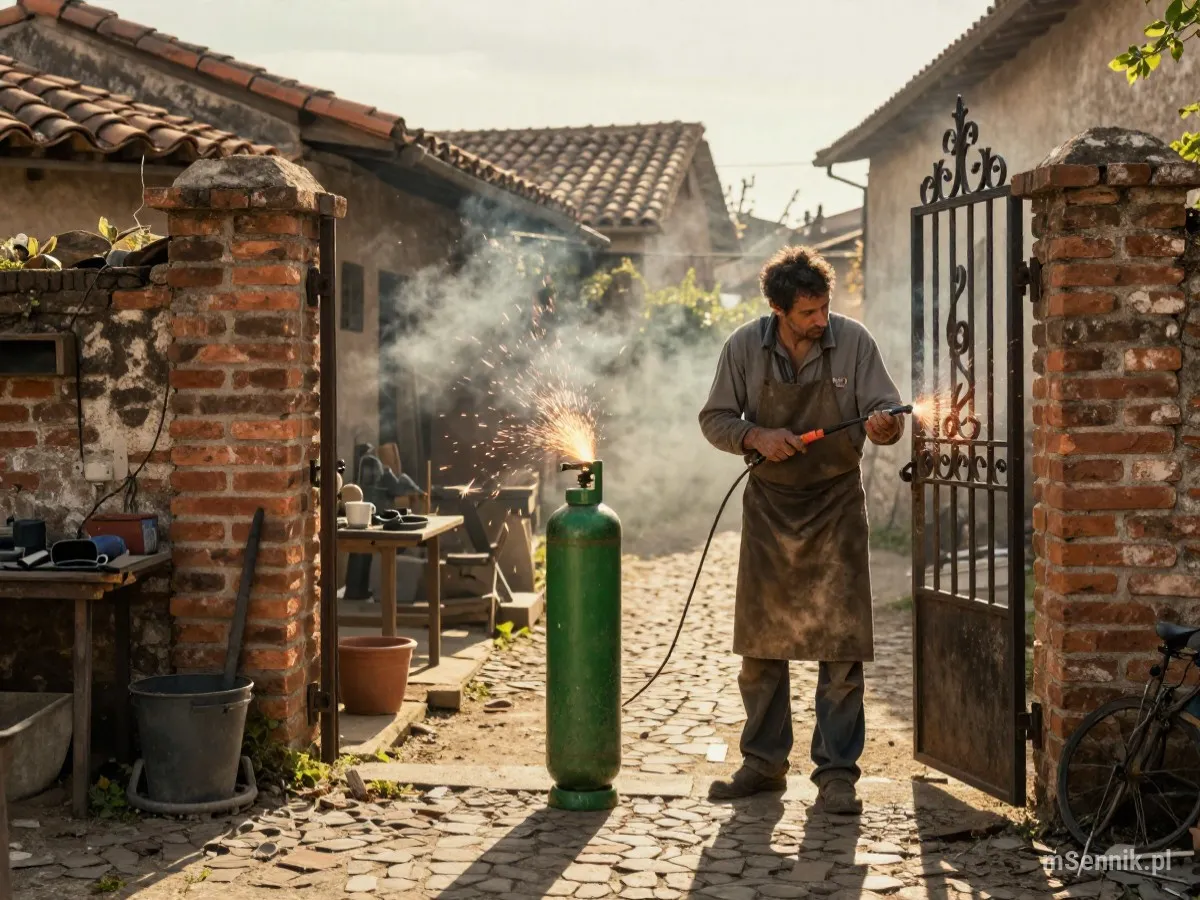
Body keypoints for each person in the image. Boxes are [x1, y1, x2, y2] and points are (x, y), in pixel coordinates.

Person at [698, 245, 904, 813]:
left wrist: (884, 428)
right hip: (769, 509)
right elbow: (714, 418)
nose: (820, 321)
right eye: (808, 313)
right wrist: (756, 437)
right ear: (779, 310)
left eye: (824, 309)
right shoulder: (743, 346)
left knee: (840, 648)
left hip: (837, 505)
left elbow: (883, 410)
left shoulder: (854, 341)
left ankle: (837, 774)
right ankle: (763, 765)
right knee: (763, 648)